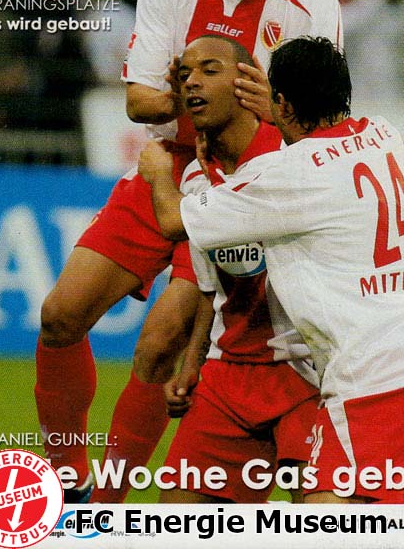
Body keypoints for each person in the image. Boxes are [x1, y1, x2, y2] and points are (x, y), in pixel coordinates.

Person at [35, 0, 342, 503]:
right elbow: (139, 100)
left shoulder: (311, 3)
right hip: (166, 166)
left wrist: (243, 107)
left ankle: (104, 508)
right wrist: (213, 95)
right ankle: (68, 479)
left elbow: (316, 124)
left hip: (249, 187)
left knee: (160, 345)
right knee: (60, 316)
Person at [138, 35, 404, 504]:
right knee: (371, 516)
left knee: (325, 523)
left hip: (377, 379)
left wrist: (157, 173)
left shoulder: (286, 177)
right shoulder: (383, 134)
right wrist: (283, 112)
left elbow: (175, 221)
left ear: (283, 104)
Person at [135, 34, 321, 503]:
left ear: (246, 82)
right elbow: (210, 288)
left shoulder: (289, 159)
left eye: (209, 70)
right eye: (184, 75)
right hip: (230, 377)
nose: (191, 83)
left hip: (308, 374)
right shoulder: (197, 175)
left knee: (322, 524)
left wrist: (157, 176)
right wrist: (192, 365)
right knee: (172, 522)